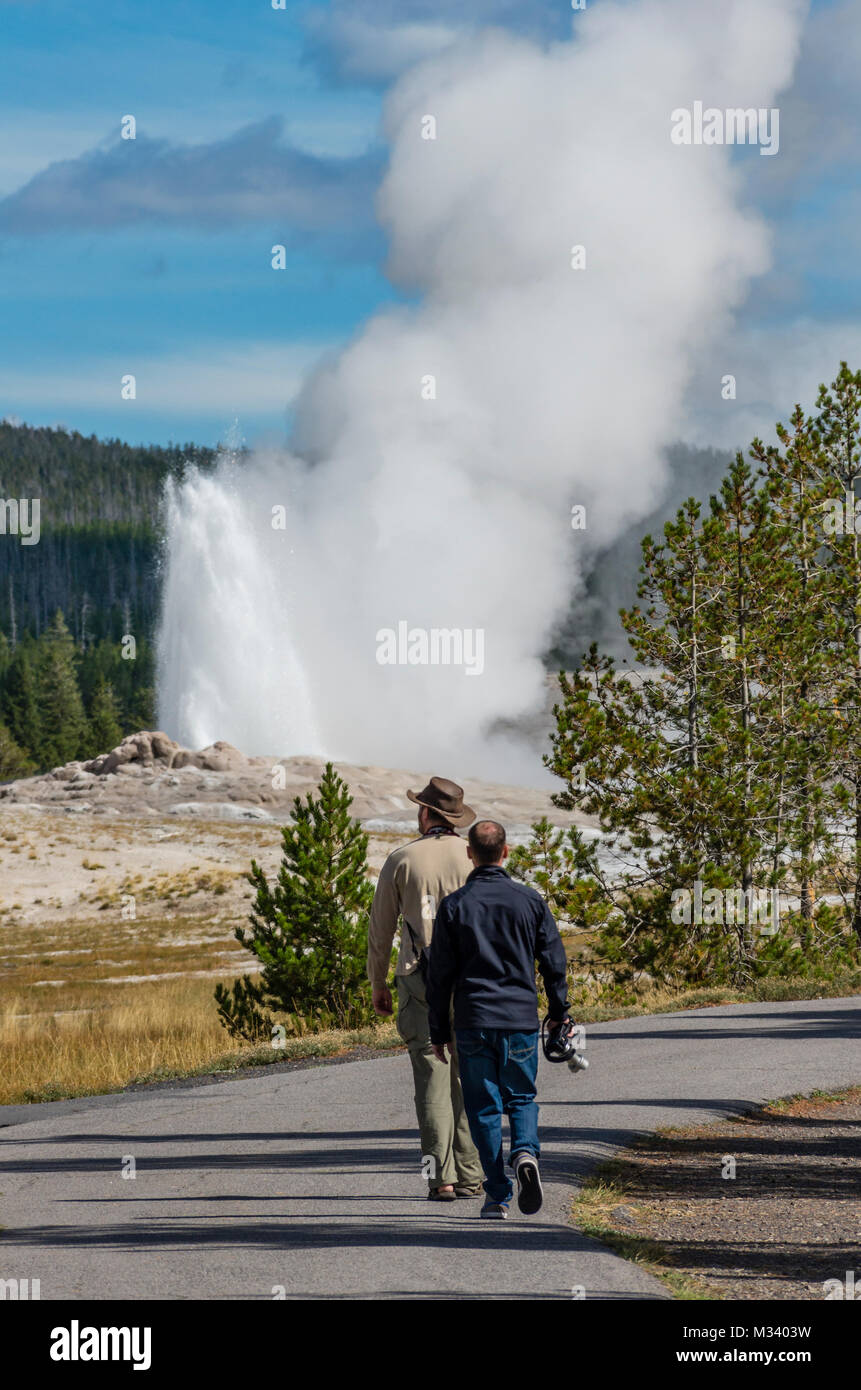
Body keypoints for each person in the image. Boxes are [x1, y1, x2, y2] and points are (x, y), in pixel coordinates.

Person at [426, 819, 570, 1219]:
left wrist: (437, 1029)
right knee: (521, 1096)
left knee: (483, 1108)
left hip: (472, 1021)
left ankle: (497, 1196)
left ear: (470, 854)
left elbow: (439, 976)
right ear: (506, 852)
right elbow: (553, 962)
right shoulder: (530, 901)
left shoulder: (454, 906)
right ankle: (525, 1151)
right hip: (520, 1017)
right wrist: (559, 1013)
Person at [367, 776, 484, 1201]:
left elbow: (380, 931)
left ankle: (442, 1179)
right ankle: (473, 1175)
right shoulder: (474, 857)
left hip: (419, 976)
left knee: (430, 1081)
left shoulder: (401, 860)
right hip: (472, 980)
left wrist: (378, 982)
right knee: (469, 1077)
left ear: (425, 814)